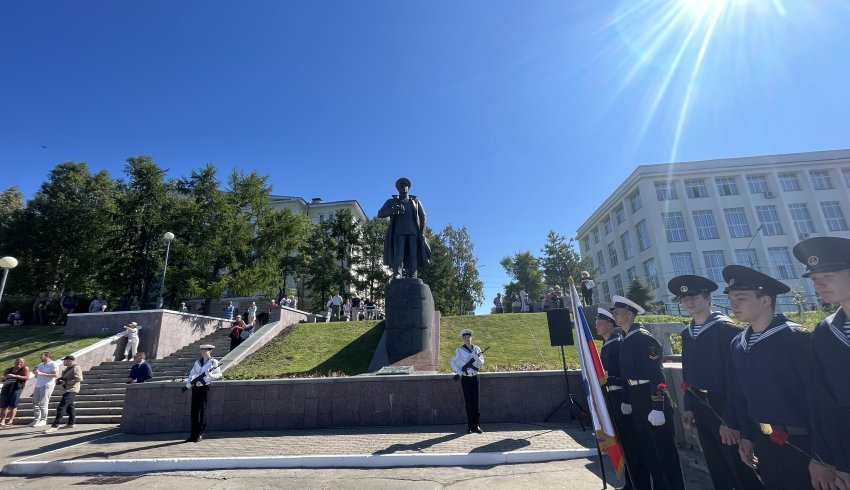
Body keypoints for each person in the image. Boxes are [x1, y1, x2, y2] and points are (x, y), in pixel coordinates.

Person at [667, 275, 763, 490]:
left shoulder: (726, 329)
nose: (688, 301)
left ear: (708, 298)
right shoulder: (687, 333)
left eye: (693, 296)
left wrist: (730, 420)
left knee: (740, 468)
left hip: (724, 405)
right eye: (684, 298)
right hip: (700, 404)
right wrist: (689, 407)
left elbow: (735, 379)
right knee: (716, 466)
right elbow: (688, 373)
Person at [722, 264, 814, 489]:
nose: (733, 304)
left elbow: (818, 398)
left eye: (741, 298)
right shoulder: (739, 343)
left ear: (765, 300)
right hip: (764, 440)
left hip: (802, 442)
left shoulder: (796, 338)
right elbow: (741, 393)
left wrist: (824, 455)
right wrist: (747, 436)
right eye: (731, 298)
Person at [793, 237, 850, 489]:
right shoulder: (826, 331)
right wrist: (823, 456)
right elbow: (822, 400)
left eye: (828, 275)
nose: (819, 284)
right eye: (815, 279)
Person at [612, 295, 685, 490]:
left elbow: (656, 375)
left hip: (649, 395)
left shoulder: (644, 339)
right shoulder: (625, 339)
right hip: (636, 398)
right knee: (648, 452)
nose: (614, 315)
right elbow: (626, 374)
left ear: (629, 315)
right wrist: (627, 400)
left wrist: (658, 406)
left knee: (664, 453)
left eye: (617, 312)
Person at [596, 309, 649, 490]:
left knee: (631, 443)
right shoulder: (607, 344)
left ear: (610, 324)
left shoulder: (617, 344)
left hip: (621, 396)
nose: (597, 325)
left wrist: (624, 397)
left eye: (600, 322)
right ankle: (631, 482)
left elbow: (625, 373)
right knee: (625, 443)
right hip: (612, 396)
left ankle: (638, 483)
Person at [377, 177, 431, 279]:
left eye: (406, 185)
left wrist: (422, 232)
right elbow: (380, 214)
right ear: (398, 188)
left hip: (413, 232)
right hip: (398, 232)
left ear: (408, 188)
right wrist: (392, 210)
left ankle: (413, 274)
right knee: (399, 253)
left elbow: (423, 217)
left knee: (413, 254)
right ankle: (398, 273)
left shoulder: (415, 201)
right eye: (401, 185)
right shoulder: (392, 202)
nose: (404, 187)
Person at [182, 344, 221, 443]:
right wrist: (189, 383)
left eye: (206, 349)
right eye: (202, 349)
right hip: (196, 388)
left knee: (203, 411)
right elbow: (192, 374)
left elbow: (219, 374)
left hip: (204, 388)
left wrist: (210, 375)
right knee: (194, 412)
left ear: (210, 351)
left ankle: (199, 434)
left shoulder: (213, 362)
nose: (203, 351)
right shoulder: (198, 362)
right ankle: (192, 434)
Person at [450, 328, 485, 434]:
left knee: (476, 403)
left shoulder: (477, 349)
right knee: (468, 403)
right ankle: (470, 426)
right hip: (465, 378)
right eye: (465, 337)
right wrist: (459, 371)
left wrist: (477, 358)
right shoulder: (459, 350)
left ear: (471, 338)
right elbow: (452, 361)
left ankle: (477, 426)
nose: (467, 339)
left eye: (468, 337)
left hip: (475, 377)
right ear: (462, 338)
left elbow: (482, 362)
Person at [45, 355, 82, 432]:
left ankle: (55, 426)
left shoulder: (76, 368)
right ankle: (71, 423)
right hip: (67, 390)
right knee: (70, 407)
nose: (63, 362)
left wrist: (66, 382)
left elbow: (78, 379)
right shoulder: (68, 368)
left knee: (61, 407)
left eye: (64, 360)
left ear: (70, 361)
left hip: (72, 390)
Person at [29, 352, 58, 427]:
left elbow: (56, 375)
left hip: (47, 385)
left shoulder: (53, 364)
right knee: (35, 402)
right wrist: (35, 373)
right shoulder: (40, 365)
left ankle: (43, 420)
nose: (40, 358)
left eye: (41, 356)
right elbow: (37, 376)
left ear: (47, 356)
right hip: (38, 385)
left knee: (43, 403)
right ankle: (36, 420)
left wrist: (42, 373)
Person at [0, 358, 30, 427]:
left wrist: (14, 376)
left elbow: (26, 377)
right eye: (18, 362)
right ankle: (2, 421)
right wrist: (4, 378)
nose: (19, 363)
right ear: (15, 362)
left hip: (16, 388)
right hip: (6, 388)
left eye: (21, 362)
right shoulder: (9, 369)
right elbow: (4, 378)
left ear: (23, 363)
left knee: (13, 405)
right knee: (4, 405)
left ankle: (10, 420)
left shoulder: (24, 368)